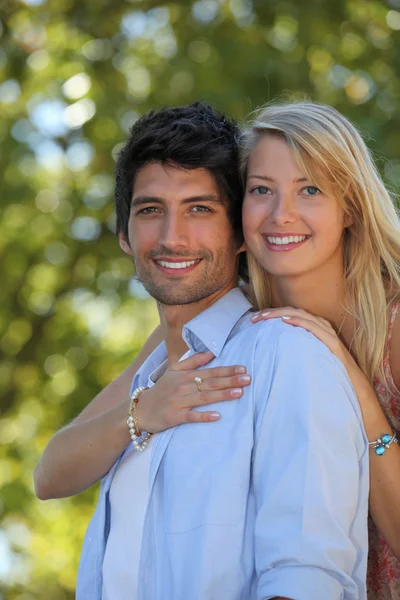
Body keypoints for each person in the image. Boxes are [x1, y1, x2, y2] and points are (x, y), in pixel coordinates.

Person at [34, 102, 369, 600]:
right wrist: (141, 413)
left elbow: (305, 574)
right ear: (125, 235)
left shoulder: (283, 351)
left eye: (199, 209)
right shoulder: (150, 380)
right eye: (150, 210)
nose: (173, 238)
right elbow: (50, 474)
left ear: (239, 232)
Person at [241, 101, 400, 600]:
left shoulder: (394, 327)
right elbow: (52, 472)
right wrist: (142, 411)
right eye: (260, 190)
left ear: (350, 207)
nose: (279, 213)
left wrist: (354, 382)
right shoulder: (233, 321)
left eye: (310, 189)